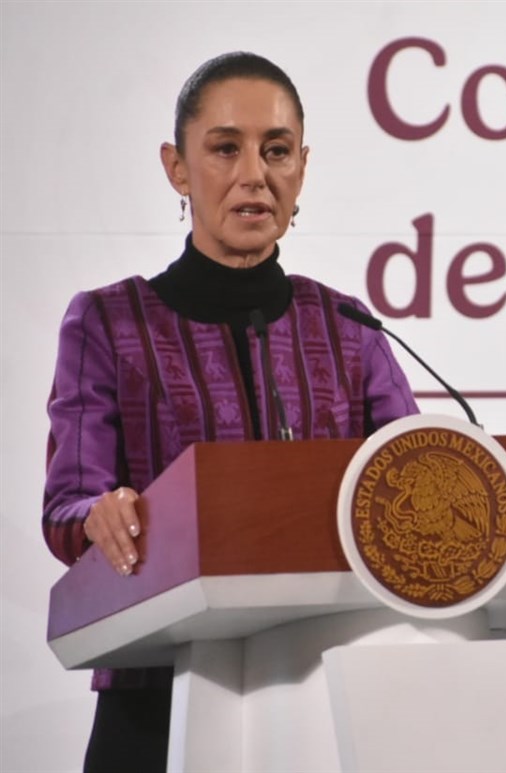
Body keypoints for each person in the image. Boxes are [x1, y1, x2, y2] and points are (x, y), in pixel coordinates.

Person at [41, 52, 419, 772]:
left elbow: (415, 475)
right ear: (177, 168)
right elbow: (67, 506)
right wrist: (102, 511)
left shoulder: (348, 326)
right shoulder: (109, 322)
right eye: (225, 148)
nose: (255, 173)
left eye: (276, 151)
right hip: (159, 696)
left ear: (301, 168)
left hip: (328, 696)